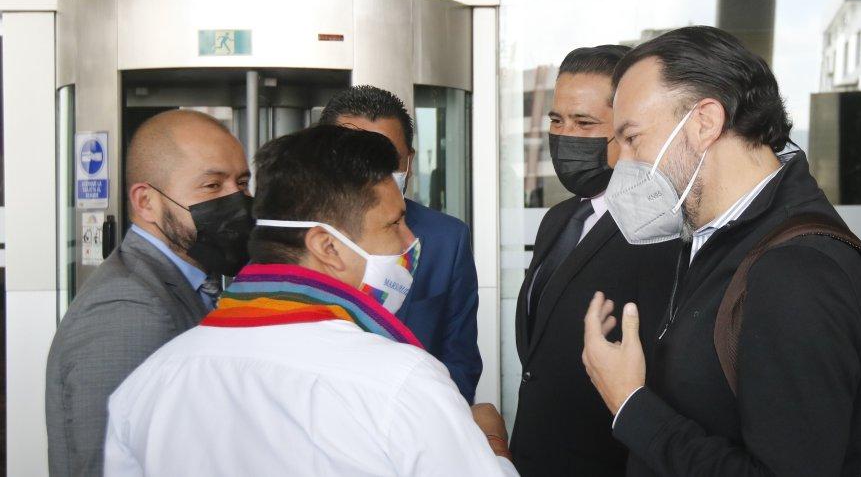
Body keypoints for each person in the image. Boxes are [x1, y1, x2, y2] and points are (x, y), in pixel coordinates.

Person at [105, 125, 517, 476]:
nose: (411, 242)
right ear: (328, 246)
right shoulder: (399, 382)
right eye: (394, 223)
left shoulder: (150, 383)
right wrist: (491, 440)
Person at [581, 26, 861, 476]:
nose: (620, 162)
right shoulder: (716, 237)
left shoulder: (797, 272)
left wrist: (629, 403)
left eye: (632, 138)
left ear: (704, 121)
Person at [46, 110, 253, 476]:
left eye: (242, 183)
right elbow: (107, 462)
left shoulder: (192, 283)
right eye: (212, 186)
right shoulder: (129, 308)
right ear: (146, 202)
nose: (237, 201)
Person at [511, 45, 676, 477]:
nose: (565, 135)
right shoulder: (558, 219)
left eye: (584, 122)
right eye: (557, 120)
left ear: (626, 128)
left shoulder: (657, 231)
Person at [319, 85, 483, 401]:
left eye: (387, 160)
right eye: (353, 158)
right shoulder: (290, 239)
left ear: (409, 161)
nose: (372, 174)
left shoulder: (445, 240)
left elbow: (459, 362)